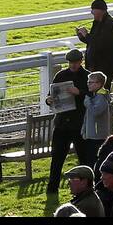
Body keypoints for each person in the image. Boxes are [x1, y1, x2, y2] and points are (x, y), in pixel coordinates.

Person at [45, 48, 89, 194]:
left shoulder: (87, 76)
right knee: (57, 158)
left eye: (75, 63)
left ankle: (87, 186)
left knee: (84, 157)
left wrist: (80, 92)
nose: (73, 65)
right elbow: (50, 95)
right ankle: (52, 188)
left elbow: (92, 95)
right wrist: (49, 100)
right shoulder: (61, 75)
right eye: (71, 63)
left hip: (79, 123)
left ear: (80, 62)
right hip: (62, 123)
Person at [75, 0, 113, 89]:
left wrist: (86, 34)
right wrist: (82, 36)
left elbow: (100, 44)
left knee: (101, 92)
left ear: (101, 10)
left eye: (93, 9)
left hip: (106, 66)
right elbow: (92, 42)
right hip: (97, 65)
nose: (91, 12)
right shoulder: (98, 22)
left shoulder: (110, 24)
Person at [79, 70, 110, 169]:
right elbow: (87, 116)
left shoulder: (101, 97)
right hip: (91, 135)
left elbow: (96, 112)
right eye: (88, 82)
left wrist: (87, 102)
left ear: (99, 84)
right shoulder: (94, 96)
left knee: (93, 161)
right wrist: (84, 130)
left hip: (98, 136)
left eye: (91, 82)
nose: (88, 84)